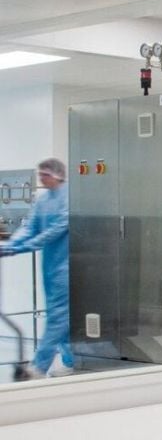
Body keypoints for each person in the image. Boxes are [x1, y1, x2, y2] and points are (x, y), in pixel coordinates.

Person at [0, 158, 74, 377]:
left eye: (45, 174)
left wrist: (22, 248)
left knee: (58, 317)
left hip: (65, 265)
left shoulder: (69, 196)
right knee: (58, 315)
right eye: (40, 174)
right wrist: (10, 245)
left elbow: (57, 229)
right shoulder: (42, 200)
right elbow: (31, 226)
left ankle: (38, 367)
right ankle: (70, 360)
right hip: (50, 266)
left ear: (57, 175)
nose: (41, 178)